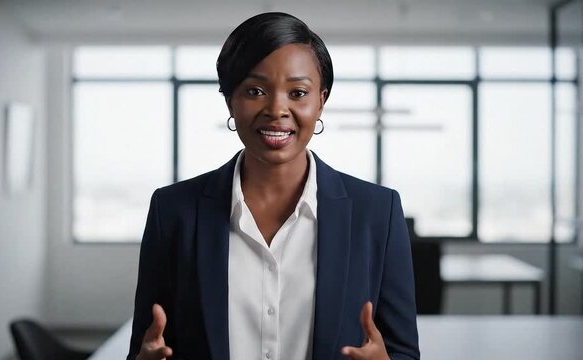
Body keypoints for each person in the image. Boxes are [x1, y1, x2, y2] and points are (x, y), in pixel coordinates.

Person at [127, 12, 419, 360]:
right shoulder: (173, 210)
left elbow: (403, 352)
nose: (277, 109)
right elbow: (146, 348)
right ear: (230, 100)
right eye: (254, 90)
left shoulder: (377, 212)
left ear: (321, 100)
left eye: (298, 92)